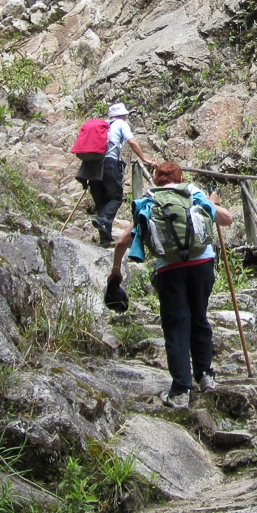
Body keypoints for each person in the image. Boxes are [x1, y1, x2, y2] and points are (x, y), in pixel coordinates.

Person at [108, 162, 233, 409]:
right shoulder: (193, 193)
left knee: (176, 326)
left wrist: (115, 272)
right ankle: (205, 375)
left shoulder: (151, 200)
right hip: (202, 265)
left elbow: (123, 240)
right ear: (180, 177)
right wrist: (212, 202)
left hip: (169, 269)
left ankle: (180, 390)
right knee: (200, 318)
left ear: (157, 181)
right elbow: (227, 219)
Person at [85, 103, 151, 246]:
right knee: (115, 198)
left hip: (92, 165)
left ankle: (105, 238)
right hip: (109, 162)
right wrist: (144, 158)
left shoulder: (103, 125)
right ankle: (103, 221)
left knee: (102, 200)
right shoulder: (121, 124)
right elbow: (131, 141)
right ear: (123, 115)